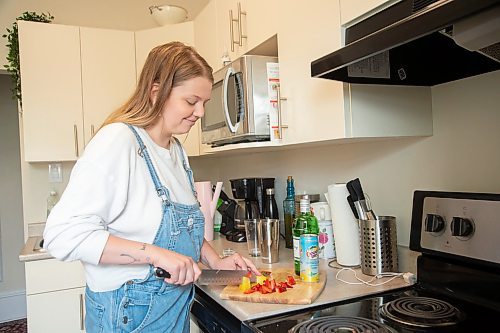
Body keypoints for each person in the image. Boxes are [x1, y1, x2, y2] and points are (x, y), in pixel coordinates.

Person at [43, 41, 260, 332]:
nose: (199, 112)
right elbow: (62, 235)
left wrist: (215, 260)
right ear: (156, 92)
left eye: (204, 104)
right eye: (191, 101)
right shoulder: (119, 141)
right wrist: (156, 254)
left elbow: (182, 232)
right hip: (128, 315)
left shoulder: (176, 151)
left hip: (171, 310)